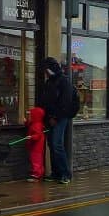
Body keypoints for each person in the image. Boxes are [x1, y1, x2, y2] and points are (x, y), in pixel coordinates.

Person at [38, 56, 74, 184]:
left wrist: (55, 117)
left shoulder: (64, 82)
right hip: (49, 117)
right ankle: (56, 173)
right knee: (51, 145)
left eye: (46, 70)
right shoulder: (49, 82)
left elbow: (65, 102)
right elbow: (46, 101)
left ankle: (65, 174)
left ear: (51, 69)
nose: (45, 73)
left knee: (56, 144)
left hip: (60, 117)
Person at [24, 106, 47, 181]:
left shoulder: (36, 125)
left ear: (35, 116)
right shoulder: (35, 123)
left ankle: (36, 175)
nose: (29, 116)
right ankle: (39, 173)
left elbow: (38, 135)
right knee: (38, 159)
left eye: (30, 115)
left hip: (36, 146)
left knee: (36, 160)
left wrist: (31, 137)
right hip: (36, 146)